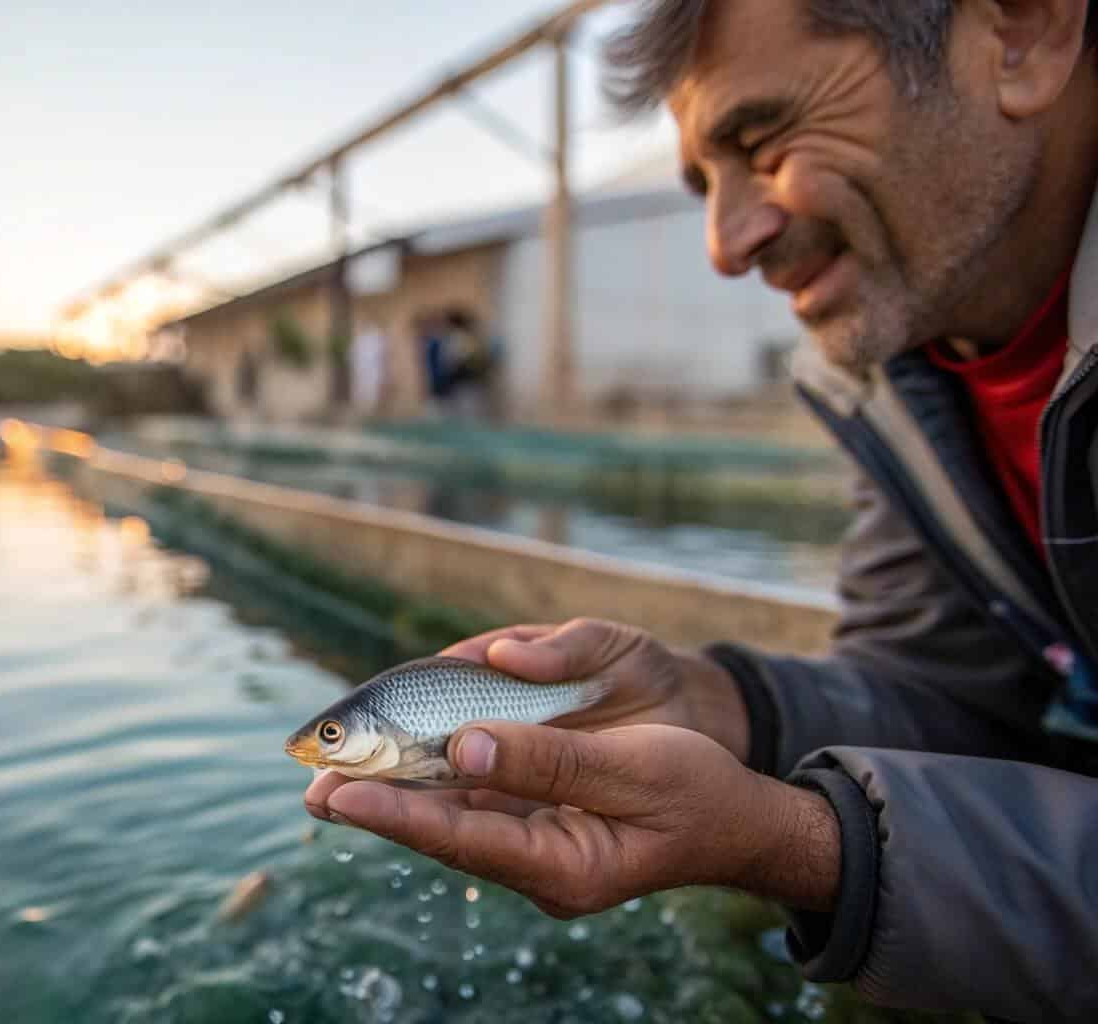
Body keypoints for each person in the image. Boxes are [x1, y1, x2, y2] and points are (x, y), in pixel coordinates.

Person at [304, 1, 1098, 1020]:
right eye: (700, 185)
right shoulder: (907, 371)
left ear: (1023, 34)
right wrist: (715, 704)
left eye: (763, 143)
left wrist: (804, 843)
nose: (727, 244)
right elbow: (953, 695)